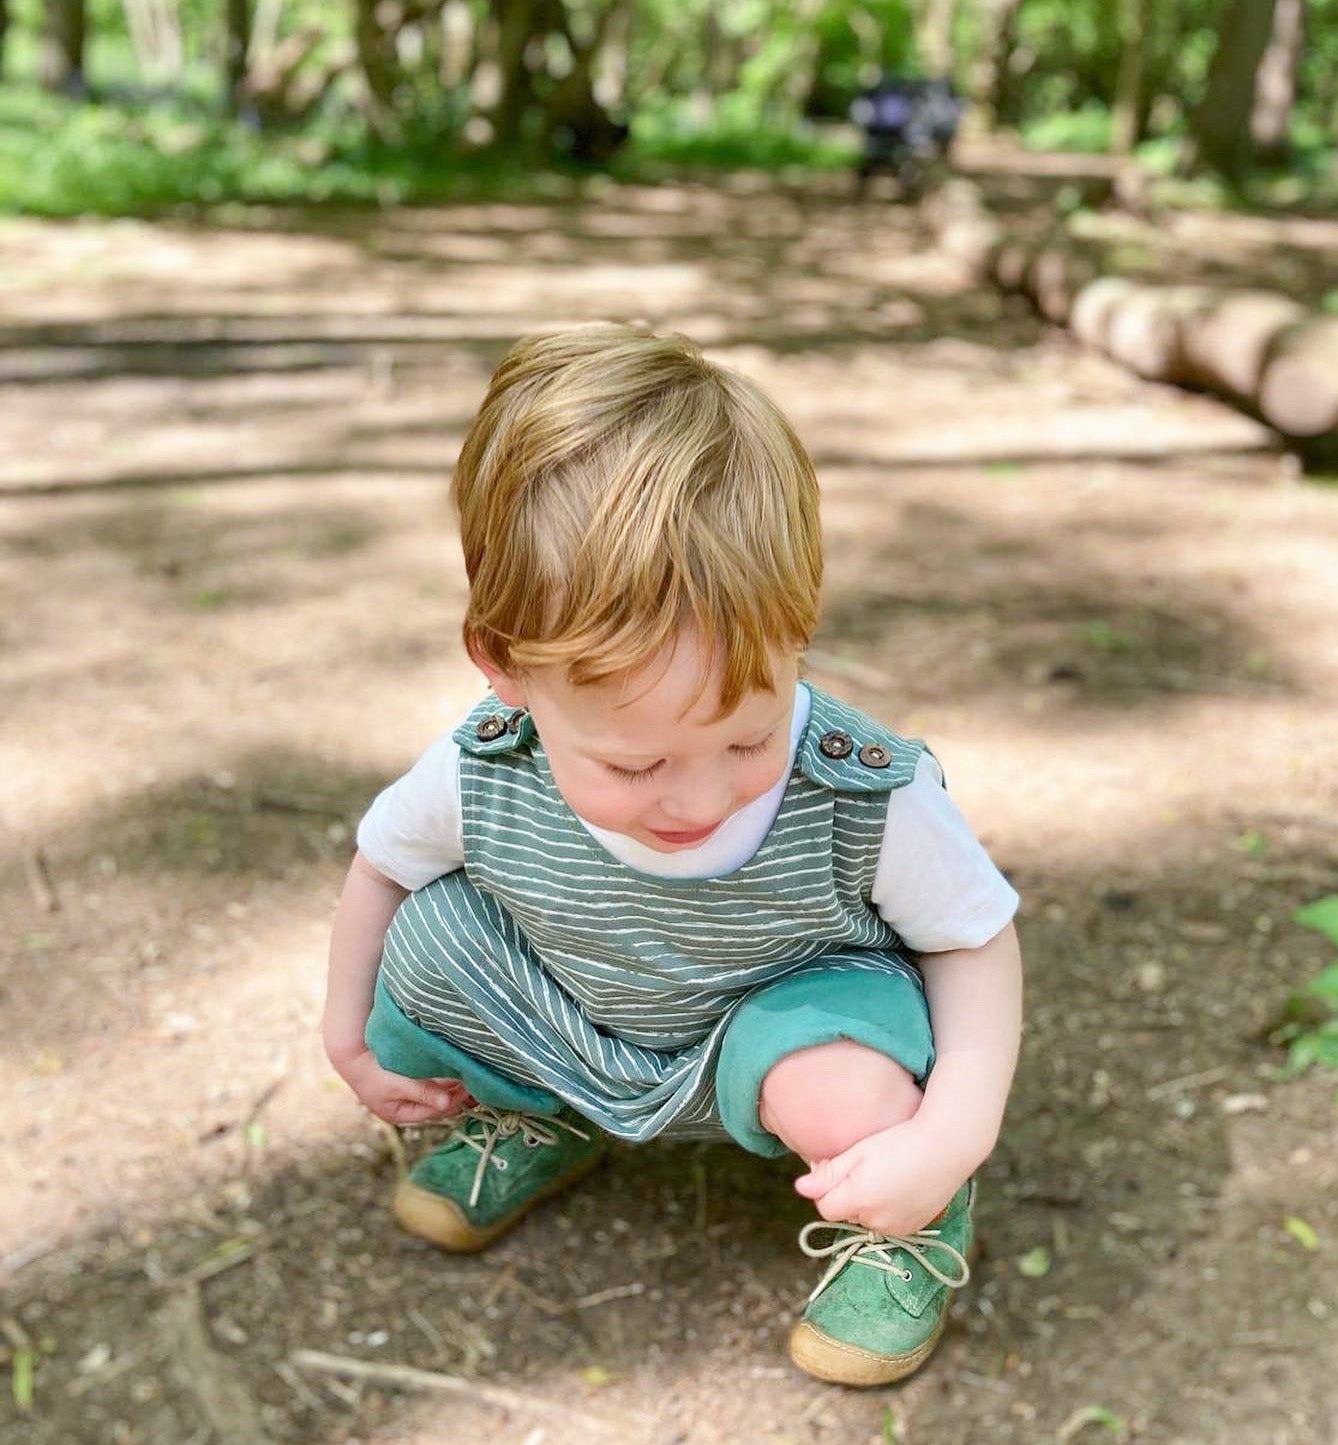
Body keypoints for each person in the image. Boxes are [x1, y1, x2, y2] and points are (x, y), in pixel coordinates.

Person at [323, 325, 1022, 1387]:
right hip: (588, 1019)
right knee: (426, 937)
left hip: (781, 1027)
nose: (696, 796)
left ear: (797, 629)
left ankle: (905, 1221)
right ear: (505, 665)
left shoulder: (860, 791)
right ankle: (546, 1115)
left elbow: (976, 939)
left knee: (838, 1078)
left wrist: (952, 1138)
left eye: (747, 737)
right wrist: (350, 1038)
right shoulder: (481, 769)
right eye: (634, 760)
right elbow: (379, 867)